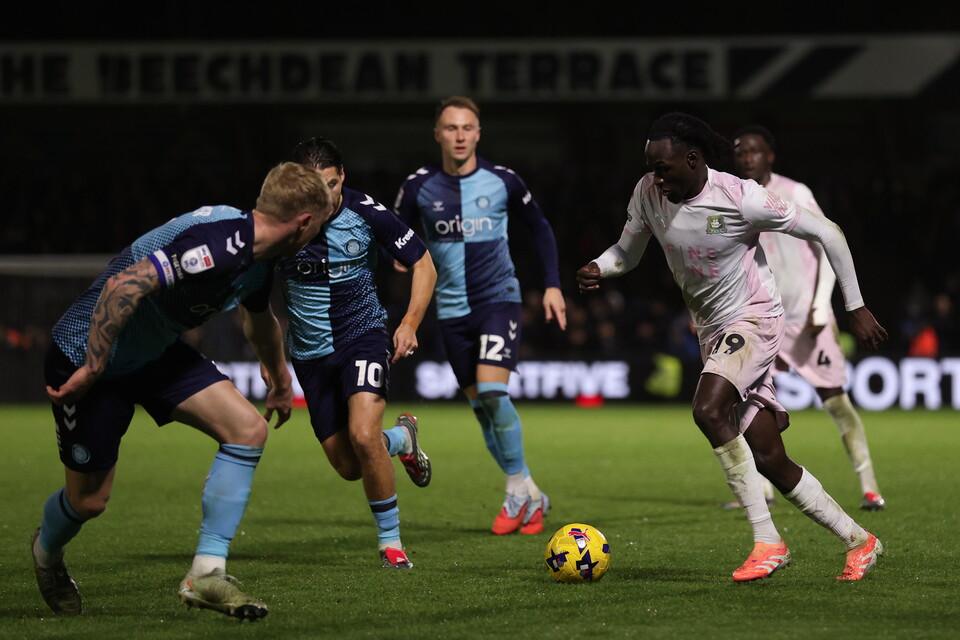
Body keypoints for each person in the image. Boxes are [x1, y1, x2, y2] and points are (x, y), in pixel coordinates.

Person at [576, 112, 888, 582]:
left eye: (664, 168)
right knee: (770, 458)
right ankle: (860, 540)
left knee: (707, 409)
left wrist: (856, 306)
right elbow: (627, 251)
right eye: (650, 167)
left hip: (755, 319)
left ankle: (767, 541)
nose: (655, 177)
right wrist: (601, 267)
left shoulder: (741, 198)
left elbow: (828, 232)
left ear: (693, 159)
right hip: (712, 332)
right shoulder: (647, 192)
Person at [34, 162, 333, 619]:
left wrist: (278, 377)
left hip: (154, 351)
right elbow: (124, 286)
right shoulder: (221, 244)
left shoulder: (258, 257)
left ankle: (206, 573)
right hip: (88, 355)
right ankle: (46, 555)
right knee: (89, 501)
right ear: (305, 223)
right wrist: (94, 363)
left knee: (248, 430)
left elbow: (259, 319)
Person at [394, 96, 566, 535]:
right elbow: (398, 234)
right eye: (450, 128)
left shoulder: (503, 181)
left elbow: (541, 227)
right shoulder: (418, 187)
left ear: (478, 134)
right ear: (437, 133)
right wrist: (399, 258)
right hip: (450, 309)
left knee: (493, 392)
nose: (459, 136)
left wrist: (551, 284)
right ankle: (532, 493)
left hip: (497, 299)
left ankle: (514, 490)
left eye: (467, 127)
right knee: (481, 408)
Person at [278, 136, 437, 569]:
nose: (324, 196)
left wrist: (409, 323)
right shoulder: (278, 222)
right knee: (350, 464)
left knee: (364, 435)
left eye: (330, 184)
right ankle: (403, 439)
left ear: (342, 177)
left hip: (362, 337)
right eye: (313, 187)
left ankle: (391, 546)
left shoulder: (367, 213)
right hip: (310, 355)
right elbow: (252, 295)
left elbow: (424, 263)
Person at [729, 124, 885, 511]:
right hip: (762, 319)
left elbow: (827, 241)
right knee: (747, 404)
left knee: (835, 400)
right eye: (740, 152)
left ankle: (869, 487)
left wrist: (821, 304)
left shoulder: (795, 193)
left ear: (770, 156)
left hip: (804, 319)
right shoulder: (732, 196)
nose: (747, 158)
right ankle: (760, 491)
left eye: (754, 152)